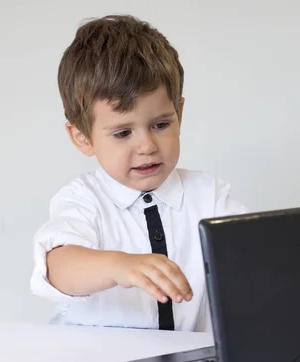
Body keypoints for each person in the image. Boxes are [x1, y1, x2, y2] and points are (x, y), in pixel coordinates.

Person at [30, 14, 247, 332]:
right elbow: (58, 268)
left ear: (179, 114)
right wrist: (120, 265)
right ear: (82, 137)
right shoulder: (84, 199)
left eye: (161, 125)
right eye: (122, 134)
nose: (147, 146)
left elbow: (255, 259)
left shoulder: (210, 196)